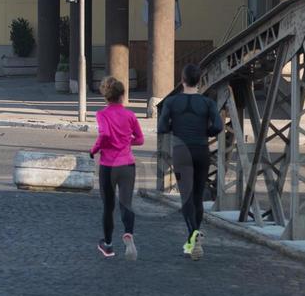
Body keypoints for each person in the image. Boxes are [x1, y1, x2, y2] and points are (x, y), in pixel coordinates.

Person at [158, 63, 222, 260]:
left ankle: (193, 233)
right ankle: (191, 241)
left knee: (185, 197)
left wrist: (174, 126)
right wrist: (205, 131)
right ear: (199, 81)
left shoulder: (171, 102)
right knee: (197, 197)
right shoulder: (208, 103)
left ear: (182, 79)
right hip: (202, 151)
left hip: (181, 152)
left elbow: (161, 127)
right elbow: (218, 126)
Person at [90, 76, 144, 260]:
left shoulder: (102, 114)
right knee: (126, 204)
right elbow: (140, 139)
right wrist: (127, 141)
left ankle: (108, 245)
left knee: (108, 207)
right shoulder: (130, 115)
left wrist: (94, 149)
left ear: (106, 97)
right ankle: (128, 233)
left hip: (108, 166)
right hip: (127, 164)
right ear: (122, 95)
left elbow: (104, 134)